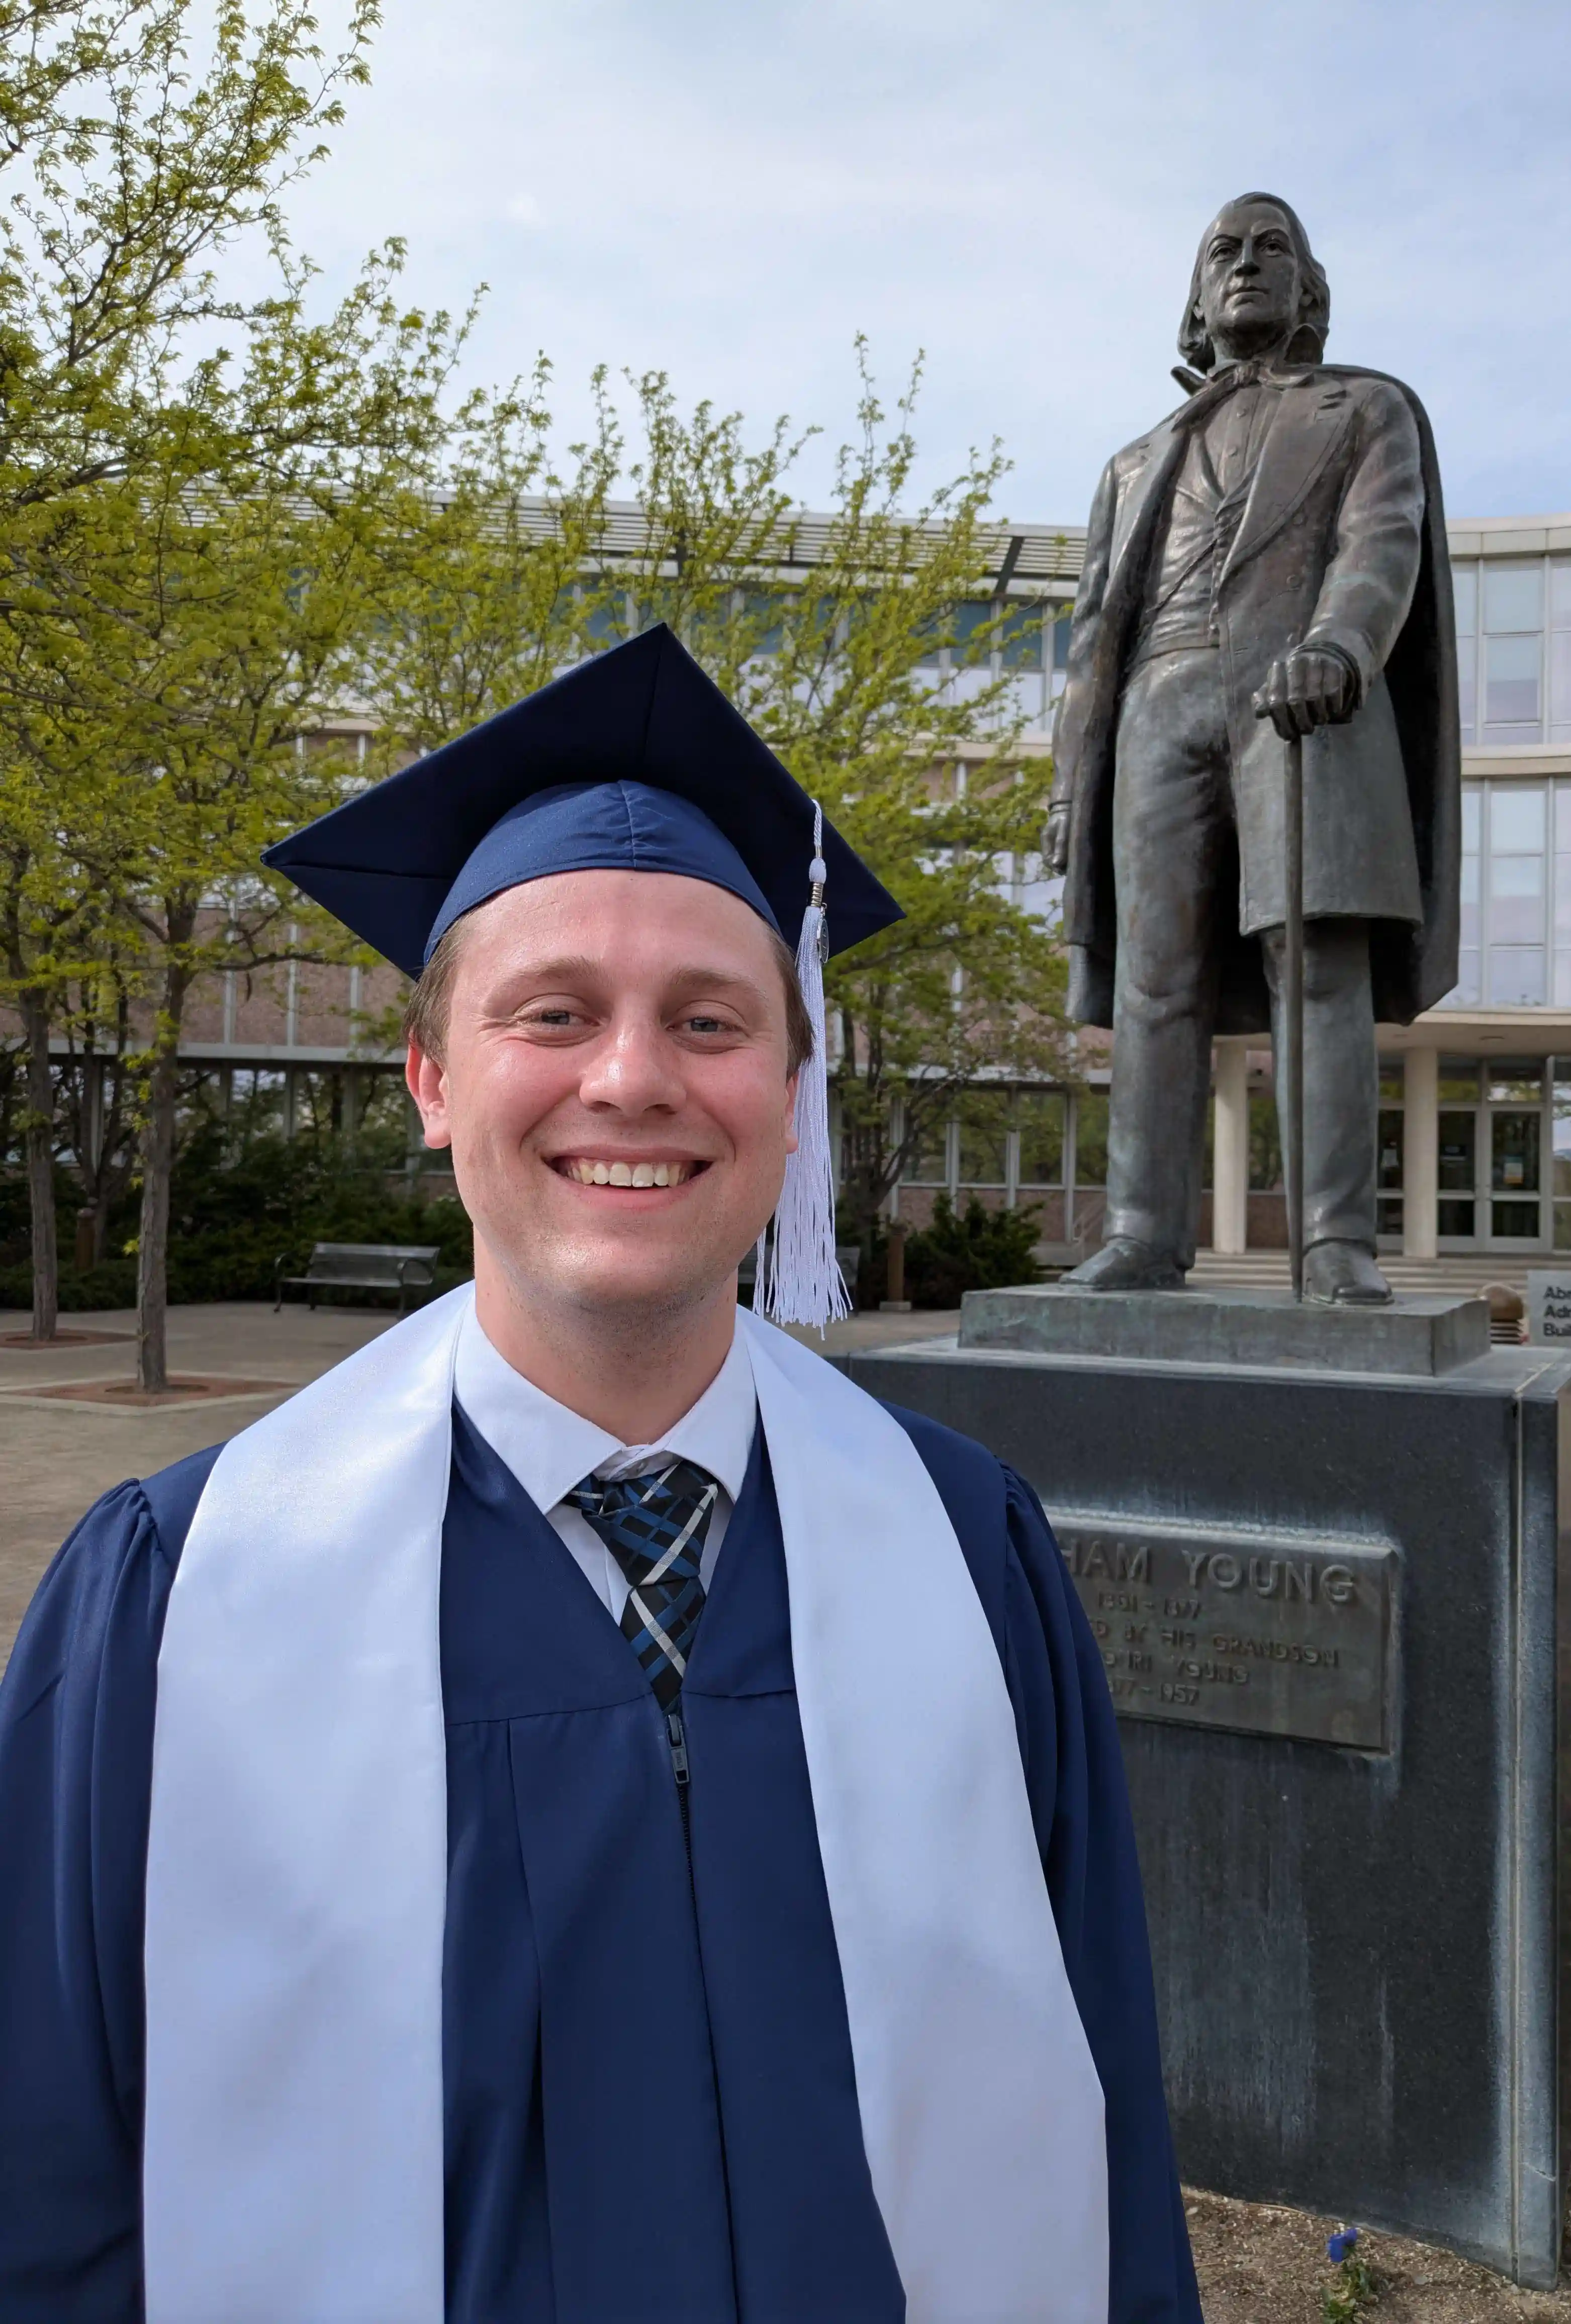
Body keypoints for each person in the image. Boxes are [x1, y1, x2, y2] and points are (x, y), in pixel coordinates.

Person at [0, 625, 1203, 2323]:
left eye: (710, 1020)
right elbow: (46, 2185)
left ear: (791, 1095)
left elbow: (1100, 2132)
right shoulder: (179, 1593)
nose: (632, 1077)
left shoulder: (966, 1550)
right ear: (432, 1080)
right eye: (552, 1013)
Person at [1042, 191, 1459, 1303]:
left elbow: (1380, 542)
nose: (1246, 262)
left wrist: (1339, 645)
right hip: (1157, 706)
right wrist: (1069, 785)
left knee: (1316, 965)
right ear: (1195, 298)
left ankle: (1332, 1244)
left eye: (1272, 247)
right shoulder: (1134, 462)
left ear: (1308, 289)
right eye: (1223, 250)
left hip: (1302, 701)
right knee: (1153, 982)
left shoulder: (1365, 407)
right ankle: (1140, 1234)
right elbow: (1094, 638)